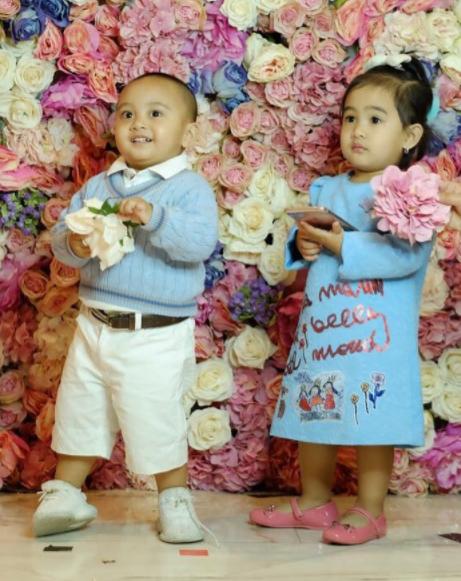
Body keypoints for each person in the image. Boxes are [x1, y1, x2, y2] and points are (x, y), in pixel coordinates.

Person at [249, 57, 435, 545]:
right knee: (315, 412)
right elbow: (306, 244)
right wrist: (304, 245)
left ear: (410, 135)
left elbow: (406, 257)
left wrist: (340, 244)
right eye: (350, 117)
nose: (358, 130)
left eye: (375, 119)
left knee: (374, 418)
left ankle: (370, 510)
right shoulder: (327, 188)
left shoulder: (411, 193)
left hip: (377, 340)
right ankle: (314, 501)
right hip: (323, 335)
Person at [33, 73, 218, 543]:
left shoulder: (188, 189)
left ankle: (173, 498)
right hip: (94, 324)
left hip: (153, 331)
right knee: (80, 410)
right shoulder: (100, 186)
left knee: (155, 415)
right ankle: (66, 493)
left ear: (188, 131)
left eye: (156, 114)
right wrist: (75, 243)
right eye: (127, 114)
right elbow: (65, 238)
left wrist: (155, 217)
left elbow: (198, 243)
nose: (138, 124)